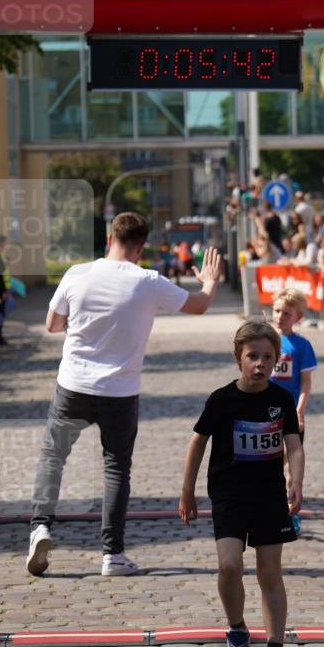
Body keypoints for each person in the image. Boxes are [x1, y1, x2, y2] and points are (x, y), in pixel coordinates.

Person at [27, 211, 222, 578]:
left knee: (53, 457)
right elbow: (199, 305)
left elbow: (52, 324)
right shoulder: (148, 281)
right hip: (120, 391)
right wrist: (210, 282)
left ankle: (40, 527)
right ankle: (112, 555)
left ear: (109, 239)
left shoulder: (77, 274)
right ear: (140, 247)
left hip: (73, 385)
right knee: (116, 467)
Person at [178, 318, 304, 647]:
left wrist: (296, 480)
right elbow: (198, 441)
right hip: (229, 493)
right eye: (253, 356)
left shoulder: (281, 400)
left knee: (270, 572)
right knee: (229, 566)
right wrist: (187, 489)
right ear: (238, 358)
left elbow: (294, 445)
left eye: (268, 357)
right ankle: (237, 633)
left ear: (277, 360)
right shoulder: (222, 400)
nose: (260, 364)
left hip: (269, 495)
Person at [270, 289, 317, 534]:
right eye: (276, 311)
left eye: (286, 313)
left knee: (291, 466)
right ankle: (270, 509)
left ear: (298, 317)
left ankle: (291, 512)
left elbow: (305, 383)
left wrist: (299, 411)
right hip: (266, 415)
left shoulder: (302, 345)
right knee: (270, 464)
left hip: (291, 415)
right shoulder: (265, 340)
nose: (279, 316)